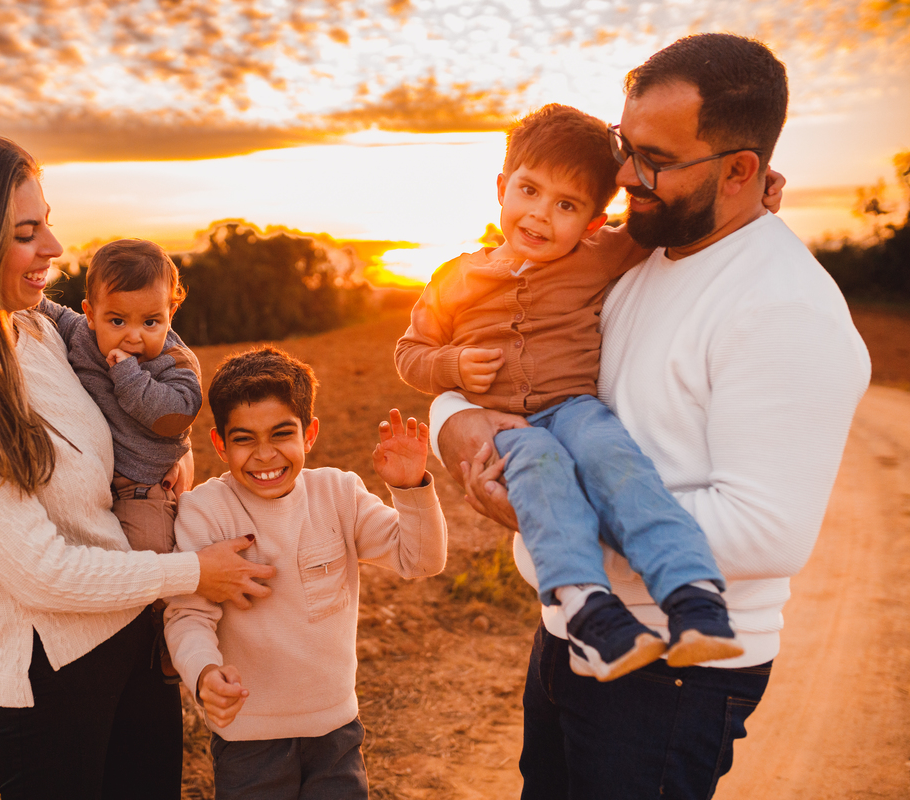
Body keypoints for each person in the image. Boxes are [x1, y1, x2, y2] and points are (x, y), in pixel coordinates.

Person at [432, 33, 870, 798]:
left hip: (674, 670)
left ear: (742, 170)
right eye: (624, 146)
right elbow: (513, 355)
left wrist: (550, 513)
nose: (626, 176)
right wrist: (454, 418)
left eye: (655, 160)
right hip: (573, 633)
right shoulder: (644, 250)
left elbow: (767, 529)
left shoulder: (785, 307)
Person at [0, 131, 275, 800]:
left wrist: (176, 452)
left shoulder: (36, 329)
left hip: (132, 627)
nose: (53, 247)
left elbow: (149, 364)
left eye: (46, 223)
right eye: (26, 232)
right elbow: (40, 574)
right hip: (53, 676)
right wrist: (197, 572)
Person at [396, 103, 742, 684]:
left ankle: (693, 592)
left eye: (566, 205)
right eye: (529, 191)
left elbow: (675, 219)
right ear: (503, 188)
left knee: (619, 464)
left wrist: (739, 199)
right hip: (510, 426)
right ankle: (588, 607)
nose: (539, 215)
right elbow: (409, 354)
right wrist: (452, 363)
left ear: (590, 220)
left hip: (578, 408)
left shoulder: (600, 254)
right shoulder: (454, 277)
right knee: (540, 469)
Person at [163, 346, 448, 800]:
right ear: (219, 444)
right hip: (248, 740)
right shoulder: (204, 511)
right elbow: (188, 616)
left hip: (335, 730)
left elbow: (421, 560)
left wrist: (410, 487)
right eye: (243, 439)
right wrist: (204, 673)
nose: (264, 455)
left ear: (309, 433)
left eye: (281, 434)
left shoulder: (339, 493)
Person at [38, 238, 200, 680]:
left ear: (172, 310)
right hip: (94, 486)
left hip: (143, 489)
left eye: (152, 320)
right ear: (90, 313)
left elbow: (175, 413)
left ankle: (171, 640)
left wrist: (127, 374)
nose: (134, 334)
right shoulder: (80, 333)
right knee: (100, 566)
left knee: (150, 555)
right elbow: (41, 308)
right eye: (117, 320)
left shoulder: (172, 360)